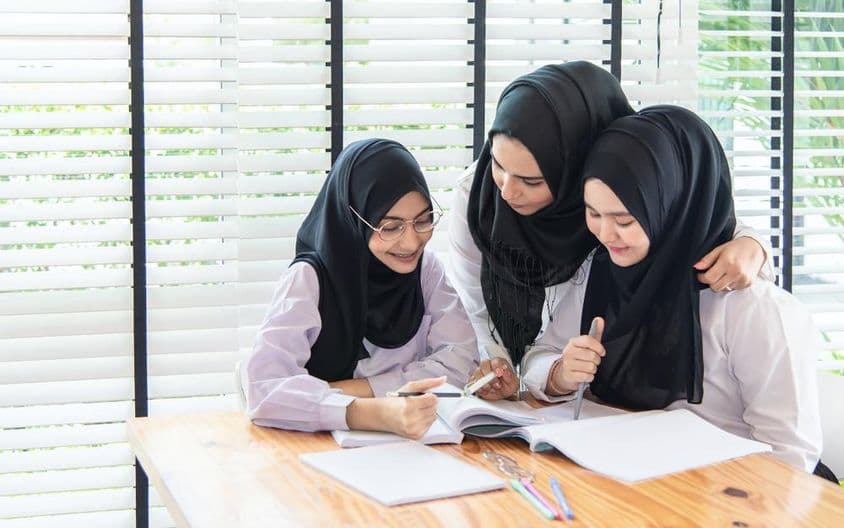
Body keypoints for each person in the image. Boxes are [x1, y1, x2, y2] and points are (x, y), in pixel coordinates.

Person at [448, 61, 771, 400]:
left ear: (578, 167)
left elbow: (694, 212)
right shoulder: (477, 195)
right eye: (497, 164)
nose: (507, 191)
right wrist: (500, 371)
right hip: (541, 390)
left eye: (532, 180)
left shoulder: (611, 191)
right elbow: (476, 307)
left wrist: (753, 245)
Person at [525, 105, 822, 472]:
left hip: (723, 495)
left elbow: (789, 455)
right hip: (625, 475)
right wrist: (560, 372)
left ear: (674, 208)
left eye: (624, 220)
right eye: (594, 213)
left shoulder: (748, 306)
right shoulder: (601, 271)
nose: (605, 235)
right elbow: (539, 355)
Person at [242, 139, 479, 439]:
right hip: (312, 451)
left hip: (412, 449)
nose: (411, 242)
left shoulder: (425, 270)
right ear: (353, 220)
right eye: (390, 227)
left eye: (423, 221)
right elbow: (264, 390)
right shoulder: (310, 279)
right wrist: (369, 411)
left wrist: (342, 391)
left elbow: (461, 361)